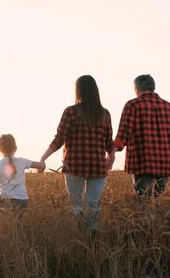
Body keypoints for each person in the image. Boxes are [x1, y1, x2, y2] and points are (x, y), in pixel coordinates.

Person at [39, 75, 114, 231]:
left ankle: (79, 236)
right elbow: (109, 143)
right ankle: (92, 238)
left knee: (76, 205)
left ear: (78, 91)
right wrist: (111, 159)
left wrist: (43, 158)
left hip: (74, 166)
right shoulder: (104, 114)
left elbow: (59, 139)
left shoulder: (71, 112)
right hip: (98, 167)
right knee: (93, 206)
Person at [110, 74, 170, 197]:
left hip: (143, 162)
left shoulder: (132, 105)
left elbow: (124, 133)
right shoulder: (169, 107)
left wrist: (111, 153)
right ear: (153, 87)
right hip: (165, 163)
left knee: (143, 204)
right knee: (159, 204)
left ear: (136, 88)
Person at [0, 134, 45, 210]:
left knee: (7, 221)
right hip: (22, 200)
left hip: (5, 200)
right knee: (21, 221)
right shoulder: (22, 161)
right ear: (15, 148)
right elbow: (42, 166)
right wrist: (41, 165)